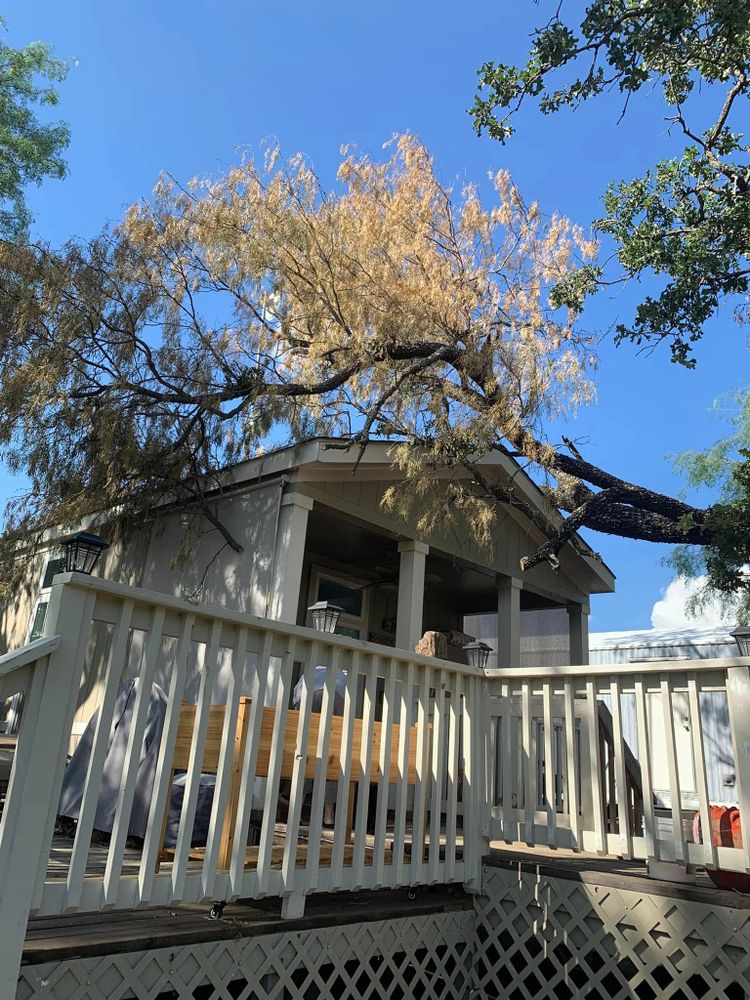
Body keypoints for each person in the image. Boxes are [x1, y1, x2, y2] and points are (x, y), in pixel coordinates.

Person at [291, 666, 346, 827]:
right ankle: (328, 816)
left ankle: (296, 812)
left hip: (307, 692)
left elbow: (296, 702)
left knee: (304, 753)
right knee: (332, 752)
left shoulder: (310, 669)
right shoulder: (340, 672)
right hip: (337, 692)